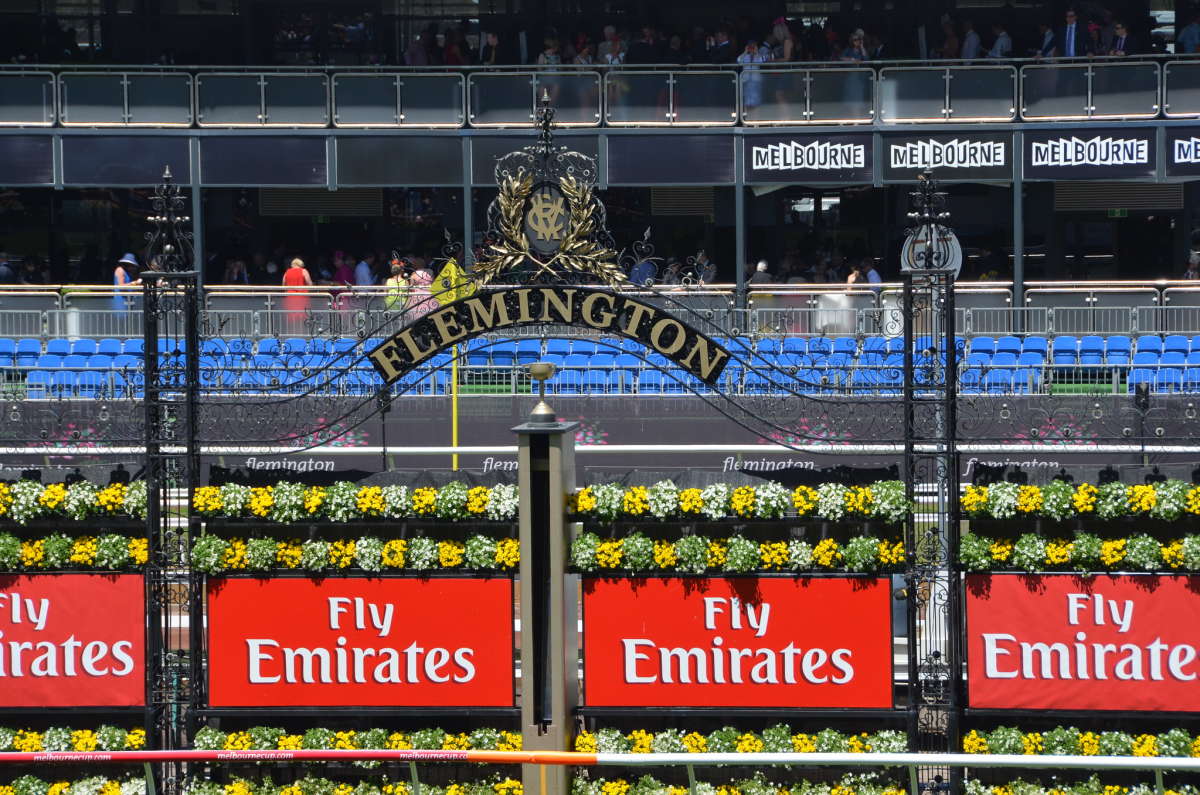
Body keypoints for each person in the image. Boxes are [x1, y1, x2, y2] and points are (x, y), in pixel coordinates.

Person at [737, 39, 770, 110]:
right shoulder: (745, 56)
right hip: (746, 81)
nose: (751, 48)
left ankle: (755, 118)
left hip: (756, 81)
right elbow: (739, 60)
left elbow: (762, 61)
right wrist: (745, 52)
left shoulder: (759, 56)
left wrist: (756, 52)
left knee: (756, 101)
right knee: (746, 100)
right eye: (750, 47)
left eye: (753, 46)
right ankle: (747, 117)